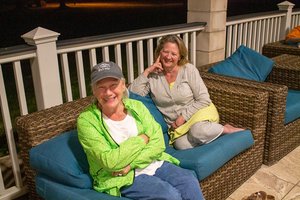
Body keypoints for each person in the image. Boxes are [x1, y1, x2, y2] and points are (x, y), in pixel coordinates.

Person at [77, 61, 204, 200]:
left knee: (189, 181)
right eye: (101, 87)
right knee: (169, 195)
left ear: (123, 85)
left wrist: (131, 164)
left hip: (153, 163)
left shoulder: (136, 106)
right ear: (94, 91)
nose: (108, 92)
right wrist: (142, 139)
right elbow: (110, 162)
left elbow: (158, 143)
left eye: (113, 85)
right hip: (122, 177)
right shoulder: (87, 121)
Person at [129, 35, 244, 150]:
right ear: (159, 53)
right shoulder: (153, 76)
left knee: (197, 131)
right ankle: (212, 134)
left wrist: (183, 117)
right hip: (178, 127)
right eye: (165, 52)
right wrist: (147, 71)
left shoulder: (188, 70)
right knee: (180, 145)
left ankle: (226, 129)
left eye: (173, 54)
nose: (168, 57)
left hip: (198, 113)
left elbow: (204, 99)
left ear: (180, 56)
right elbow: (133, 93)